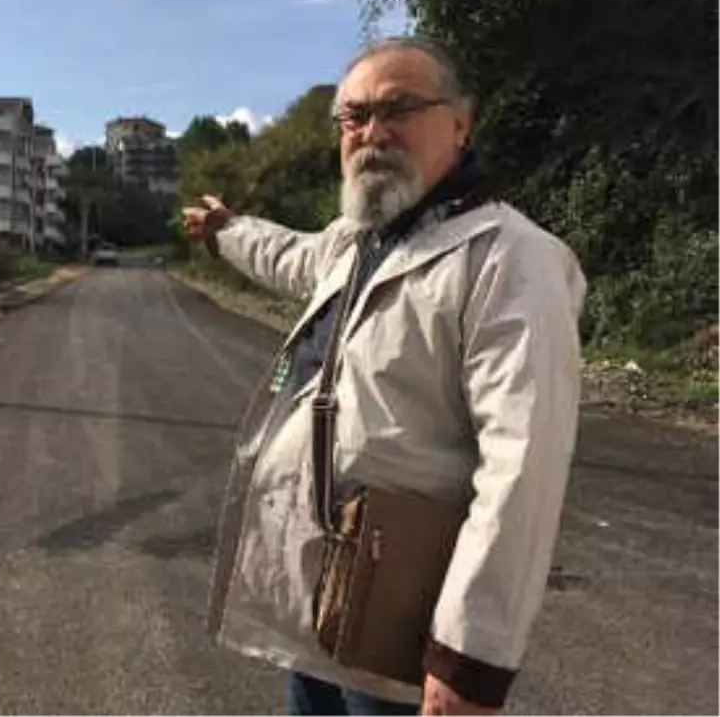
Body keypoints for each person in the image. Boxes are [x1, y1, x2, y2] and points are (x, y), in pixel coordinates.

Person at [183, 37, 585, 717]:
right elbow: (289, 256)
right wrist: (226, 231)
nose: (371, 133)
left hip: (402, 614)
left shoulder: (509, 259)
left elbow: (524, 467)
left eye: (398, 109)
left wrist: (469, 661)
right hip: (324, 599)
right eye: (354, 116)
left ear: (460, 124)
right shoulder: (359, 241)